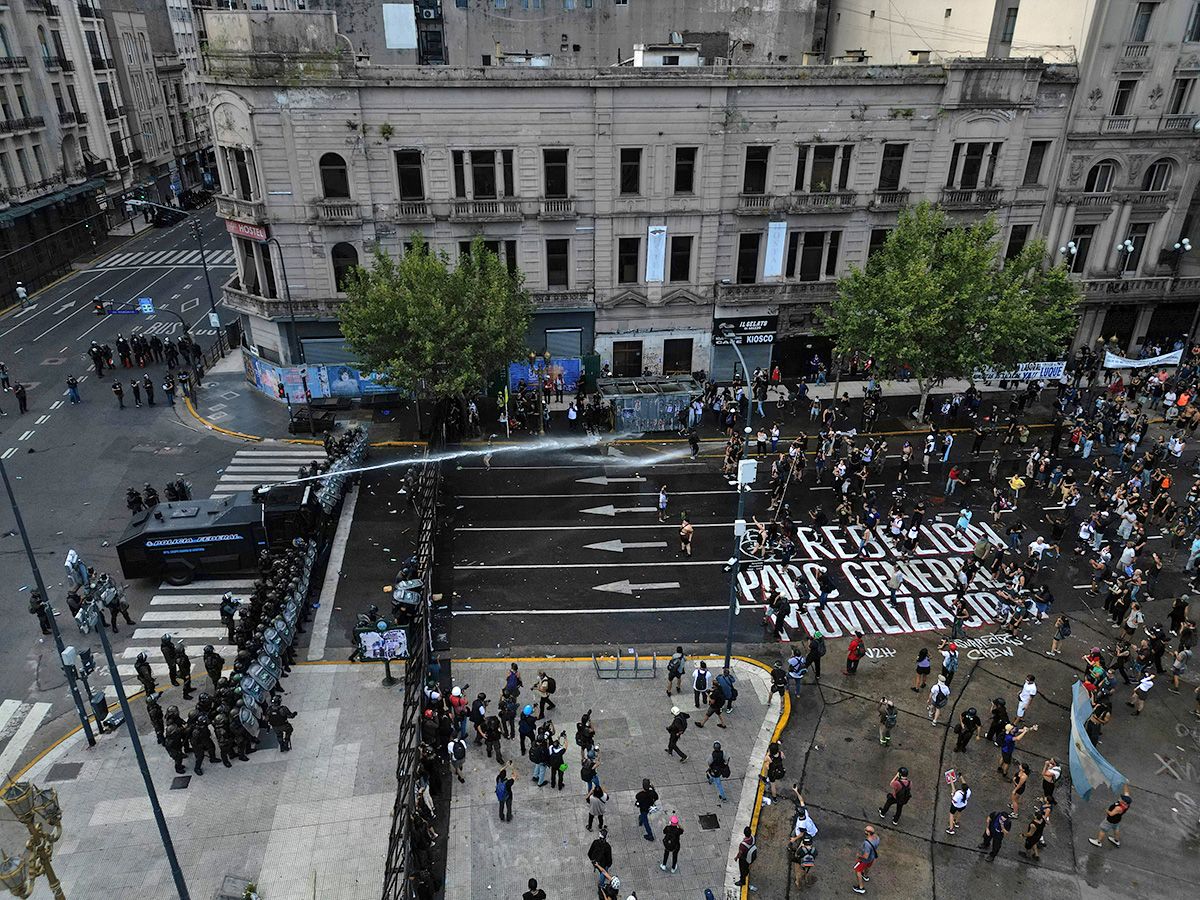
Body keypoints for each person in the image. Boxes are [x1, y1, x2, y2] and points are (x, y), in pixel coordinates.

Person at [852, 825, 880, 894]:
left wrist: (859, 856)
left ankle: (861, 888)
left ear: (868, 833)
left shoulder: (867, 843)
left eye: (866, 830)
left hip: (864, 860)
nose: (864, 830)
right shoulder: (877, 837)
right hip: (872, 858)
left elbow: (865, 856)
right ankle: (865, 876)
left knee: (857, 870)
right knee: (868, 866)